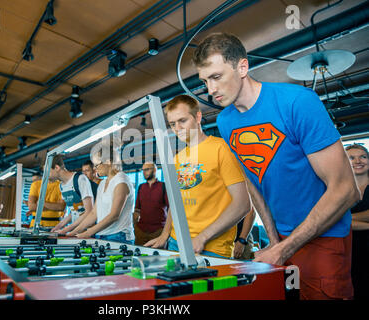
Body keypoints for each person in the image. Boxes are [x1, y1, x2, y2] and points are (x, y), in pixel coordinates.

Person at [193, 32, 359, 299]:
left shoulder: (297, 101)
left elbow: (347, 190)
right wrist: (273, 238)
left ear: (242, 67)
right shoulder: (225, 122)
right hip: (281, 238)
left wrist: (284, 248)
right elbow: (253, 180)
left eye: (216, 77)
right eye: (204, 81)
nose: (210, 90)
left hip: (324, 239)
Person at [145, 95, 251, 258]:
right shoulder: (177, 158)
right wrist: (166, 234)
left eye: (182, 120)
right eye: (172, 124)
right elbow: (176, 202)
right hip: (176, 243)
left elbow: (243, 204)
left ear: (198, 117)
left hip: (212, 248)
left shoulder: (221, 149)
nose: (177, 128)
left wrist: (203, 237)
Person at [67, 138, 135, 244]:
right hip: (102, 235)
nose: (95, 168)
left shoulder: (121, 181)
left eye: (97, 165)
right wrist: (73, 232)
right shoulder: (102, 183)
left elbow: (114, 216)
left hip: (119, 236)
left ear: (108, 161)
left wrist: (88, 233)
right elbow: (94, 213)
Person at [345, 144, 369, 300]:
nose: (357, 161)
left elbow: (336, 219)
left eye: (363, 156)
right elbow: (330, 221)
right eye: (351, 157)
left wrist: (343, 218)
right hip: (347, 251)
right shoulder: (340, 189)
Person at [49, 155, 95, 233]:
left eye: (48, 171)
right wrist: (59, 226)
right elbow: (75, 212)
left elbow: (89, 211)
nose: (46, 175)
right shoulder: (61, 186)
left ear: (57, 168)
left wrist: (66, 230)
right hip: (75, 232)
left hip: (88, 232)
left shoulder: (80, 179)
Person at [133, 162, 169, 246]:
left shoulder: (163, 186)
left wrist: (165, 232)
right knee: (138, 256)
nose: (144, 172)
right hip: (140, 231)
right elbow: (137, 209)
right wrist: (135, 227)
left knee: (157, 258)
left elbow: (171, 209)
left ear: (155, 170)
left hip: (158, 231)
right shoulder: (141, 187)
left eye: (147, 169)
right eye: (143, 170)